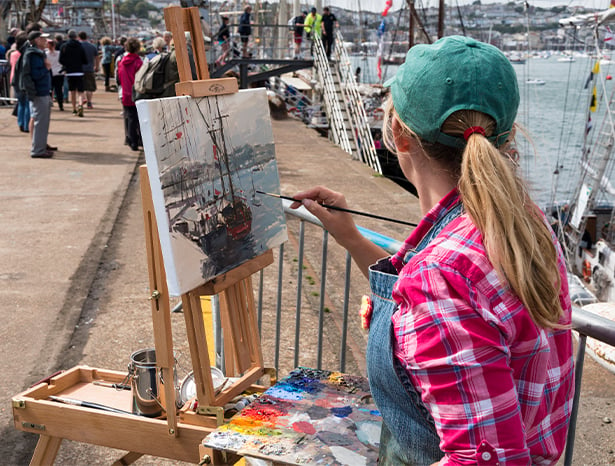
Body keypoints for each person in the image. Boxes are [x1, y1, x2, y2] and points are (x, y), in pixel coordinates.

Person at [291, 36, 574, 465]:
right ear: (508, 134)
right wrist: (349, 236)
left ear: (399, 136)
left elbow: (484, 460)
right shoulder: (521, 223)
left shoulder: (441, 274)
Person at [20, 31, 56, 158]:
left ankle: (40, 147)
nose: (45, 41)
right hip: (39, 91)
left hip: (41, 90)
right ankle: (38, 150)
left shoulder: (35, 53)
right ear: (36, 40)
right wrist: (46, 68)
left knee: (41, 121)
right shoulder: (34, 55)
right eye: (42, 38)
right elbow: (35, 74)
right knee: (40, 121)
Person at [117, 37, 142, 151]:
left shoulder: (121, 61)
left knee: (130, 118)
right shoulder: (138, 61)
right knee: (138, 119)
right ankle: (138, 140)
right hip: (136, 92)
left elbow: (119, 77)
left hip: (125, 92)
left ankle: (131, 140)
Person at [60, 30, 87, 117]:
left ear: (68, 36)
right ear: (76, 37)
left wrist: (66, 64)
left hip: (69, 71)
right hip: (79, 70)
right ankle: (80, 104)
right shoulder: (80, 46)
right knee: (81, 91)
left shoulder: (64, 46)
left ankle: (74, 109)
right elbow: (85, 59)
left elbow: (61, 59)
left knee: (72, 91)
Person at [9, 32, 30, 132]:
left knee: (21, 103)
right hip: (24, 81)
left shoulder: (13, 54)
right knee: (27, 104)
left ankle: (20, 123)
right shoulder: (27, 54)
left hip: (14, 79)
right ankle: (26, 125)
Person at [78, 31, 99, 109]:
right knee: (89, 87)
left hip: (80, 69)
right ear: (86, 37)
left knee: (81, 87)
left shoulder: (78, 46)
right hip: (90, 69)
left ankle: (82, 99)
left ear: (79, 37)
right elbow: (96, 57)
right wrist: (96, 67)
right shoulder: (92, 46)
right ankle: (89, 102)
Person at [46, 38, 64, 111]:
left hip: (50, 73)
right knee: (59, 90)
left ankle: (49, 104)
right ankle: (60, 105)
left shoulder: (46, 54)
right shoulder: (59, 53)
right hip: (59, 73)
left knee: (50, 89)